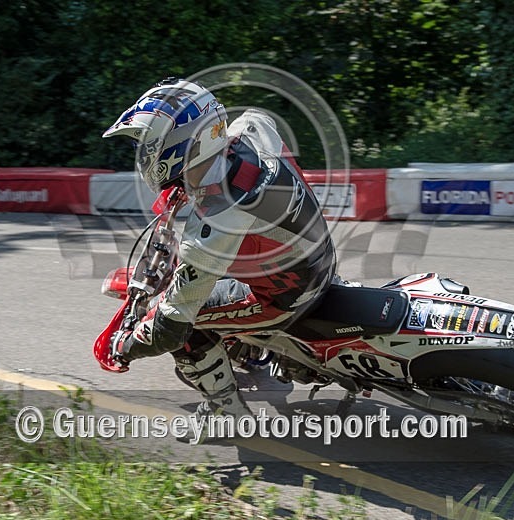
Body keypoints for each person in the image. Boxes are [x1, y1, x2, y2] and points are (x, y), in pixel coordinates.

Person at [100, 77, 337, 424]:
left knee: (183, 325)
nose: (145, 153)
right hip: (314, 256)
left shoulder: (219, 219)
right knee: (213, 280)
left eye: (150, 144)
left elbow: (171, 322)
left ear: (181, 144)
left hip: (286, 296)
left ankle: (227, 413)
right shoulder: (252, 128)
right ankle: (251, 347)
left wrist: (125, 347)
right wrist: (192, 183)